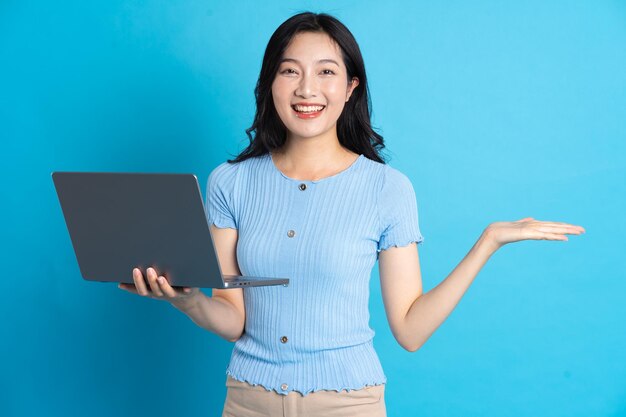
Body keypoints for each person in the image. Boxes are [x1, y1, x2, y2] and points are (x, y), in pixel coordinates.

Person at [118, 11, 585, 417]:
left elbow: (410, 328)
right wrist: (185, 299)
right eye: (289, 71)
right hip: (247, 401)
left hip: (348, 403)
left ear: (349, 88)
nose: (307, 89)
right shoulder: (230, 182)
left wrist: (488, 242)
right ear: (269, 84)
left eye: (326, 72)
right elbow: (232, 318)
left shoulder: (387, 189)